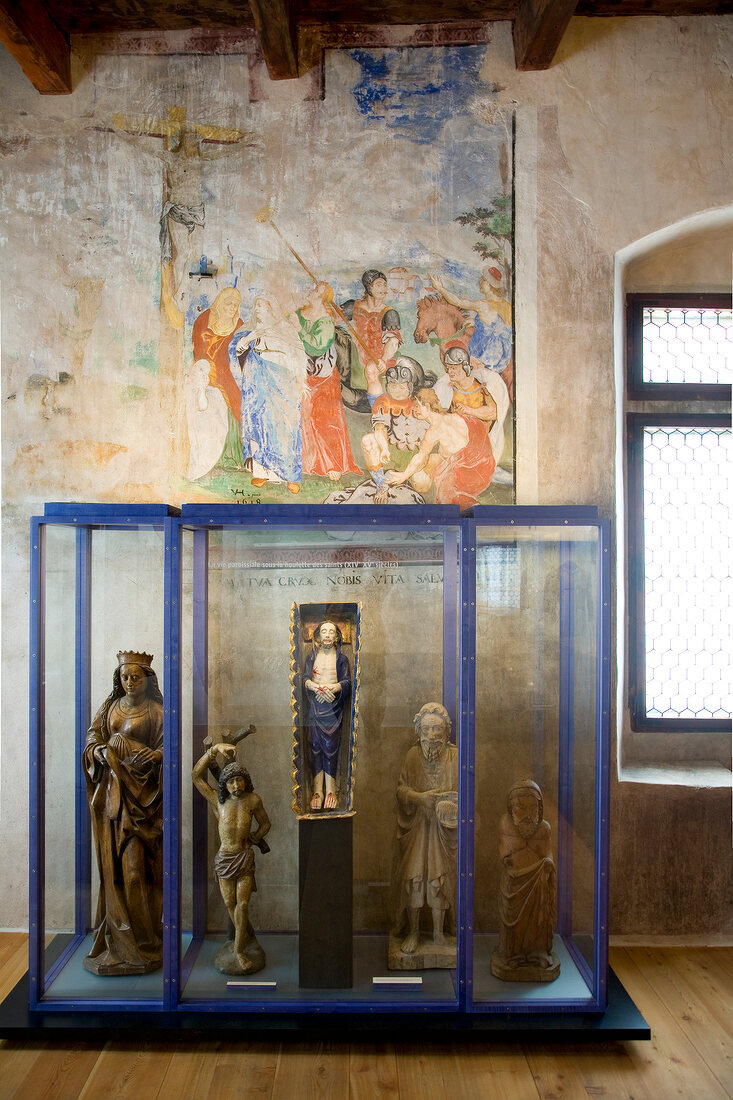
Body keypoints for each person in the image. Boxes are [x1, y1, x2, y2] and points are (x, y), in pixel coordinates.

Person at [82, 651, 164, 975]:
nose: (129, 683)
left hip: (143, 802)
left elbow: (165, 750)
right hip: (112, 801)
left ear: (148, 680)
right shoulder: (109, 708)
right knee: (112, 872)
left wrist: (150, 757)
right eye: (124, 677)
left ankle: (144, 943)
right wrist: (101, 750)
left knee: (134, 873)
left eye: (136, 677)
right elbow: (93, 739)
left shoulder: (157, 712)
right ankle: (118, 944)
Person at [192, 745, 271, 975]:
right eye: (231, 782)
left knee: (243, 905)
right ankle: (244, 937)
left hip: (244, 858)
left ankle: (238, 951)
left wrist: (256, 836)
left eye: (239, 780)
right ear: (224, 785)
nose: (236, 786)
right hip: (225, 859)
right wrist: (213, 749)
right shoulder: (219, 801)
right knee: (230, 905)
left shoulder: (253, 800)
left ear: (245, 781)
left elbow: (266, 823)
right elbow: (196, 776)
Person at [392, 703, 458, 956]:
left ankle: (440, 932)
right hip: (418, 827)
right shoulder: (412, 756)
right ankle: (414, 931)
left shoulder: (454, 756)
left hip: (443, 830)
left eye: (437, 730)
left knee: (438, 880)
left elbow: (466, 792)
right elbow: (400, 790)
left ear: (446, 733)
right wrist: (420, 798)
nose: (432, 736)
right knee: (415, 878)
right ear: (418, 730)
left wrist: (448, 802)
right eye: (427, 729)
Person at [231, 296, 308, 493]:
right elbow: (237, 351)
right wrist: (250, 337)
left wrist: (302, 380)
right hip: (258, 386)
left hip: (284, 385)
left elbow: (299, 356)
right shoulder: (250, 331)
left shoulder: (286, 329)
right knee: (260, 425)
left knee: (285, 427)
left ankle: (290, 476)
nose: (258, 309)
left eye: (262, 305)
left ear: (272, 308)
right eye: (256, 305)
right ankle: (261, 473)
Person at [491, 779, 560, 981]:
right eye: (521, 807)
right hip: (514, 884)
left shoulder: (544, 828)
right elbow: (507, 857)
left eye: (532, 807)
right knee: (513, 920)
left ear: (540, 808)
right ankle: (513, 954)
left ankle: (537, 952)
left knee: (538, 918)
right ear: (511, 808)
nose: (528, 814)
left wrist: (546, 864)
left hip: (538, 885)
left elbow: (547, 855)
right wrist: (527, 857)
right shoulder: (506, 824)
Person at [384, 387, 496, 509]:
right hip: (486, 465)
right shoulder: (455, 416)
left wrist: (404, 475)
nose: (414, 410)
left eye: (417, 406)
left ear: (427, 405)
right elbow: (486, 419)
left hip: (471, 474)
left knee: (443, 493)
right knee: (433, 462)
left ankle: (473, 508)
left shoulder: (433, 431)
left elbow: (421, 457)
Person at [295, 282, 361, 481]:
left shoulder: (325, 321)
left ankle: (332, 463)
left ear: (322, 299)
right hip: (302, 373)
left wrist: (299, 330)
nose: (310, 291)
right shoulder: (298, 313)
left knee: (326, 420)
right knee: (303, 415)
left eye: (316, 291)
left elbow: (317, 347)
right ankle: (307, 462)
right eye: (313, 288)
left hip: (322, 376)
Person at [361, 356, 434, 498]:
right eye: (393, 385)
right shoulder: (384, 401)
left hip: (416, 455)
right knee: (368, 441)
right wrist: (384, 449)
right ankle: (382, 484)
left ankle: (404, 477)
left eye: (401, 386)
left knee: (422, 485)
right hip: (393, 452)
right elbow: (380, 428)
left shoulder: (422, 401)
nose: (397, 390)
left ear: (411, 386)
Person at [191, 286, 245, 468]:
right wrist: (206, 370)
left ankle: (234, 453)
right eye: (228, 304)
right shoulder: (203, 320)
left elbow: (242, 352)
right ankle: (214, 455)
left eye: (235, 305)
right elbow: (198, 351)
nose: (232, 308)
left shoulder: (238, 324)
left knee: (236, 400)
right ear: (220, 304)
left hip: (230, 371)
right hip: (208, 369)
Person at [303, 620, 351, 811]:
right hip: (316, 707)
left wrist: (332, 688)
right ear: (318, 636)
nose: (328, 635)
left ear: (337, 636)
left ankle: (330, 791)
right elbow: (306, 679)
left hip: (333, 709)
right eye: (324, 631)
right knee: (315, 747)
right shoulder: (311, 657)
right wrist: (317, 688)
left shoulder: (341, 660)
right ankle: (317, 791)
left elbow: (346, 681)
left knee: (331, 748)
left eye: (332, 631)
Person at [340, 269, 403, 400]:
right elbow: (332, 318)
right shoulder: (354, 306)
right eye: (379, 285)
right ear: (369, 287)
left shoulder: (389, 313)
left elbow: (393, 341)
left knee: (371, 370)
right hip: (358, 356)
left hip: (381, 357)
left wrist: (383, 360)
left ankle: (377, 410)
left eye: (384, 285)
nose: (383, 289)